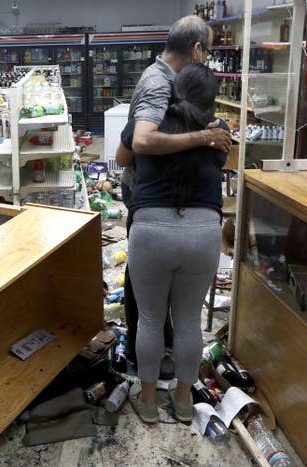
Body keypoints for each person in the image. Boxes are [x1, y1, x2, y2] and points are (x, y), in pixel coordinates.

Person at [116, 15, 231, 371]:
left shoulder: (171, 85)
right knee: (157, 306)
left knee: (154, 304)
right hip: (152, 198)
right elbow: (142, 141)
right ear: (197, 49)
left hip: (158, 209)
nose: (209, 58)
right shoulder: (158, 84)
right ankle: (148, 360)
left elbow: (126, 149)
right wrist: (204, 137)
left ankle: (154, 363)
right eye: (209, 51)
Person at [122, 64, 228, 424]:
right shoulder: (219, 131)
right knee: (188, 320)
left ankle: (149, 402)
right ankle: (183, 401)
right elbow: (215, 161)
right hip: (203, 231)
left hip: (151, 230)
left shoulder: (146, 125)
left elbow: (123, 157)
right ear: (212, 100)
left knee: (150, 318)